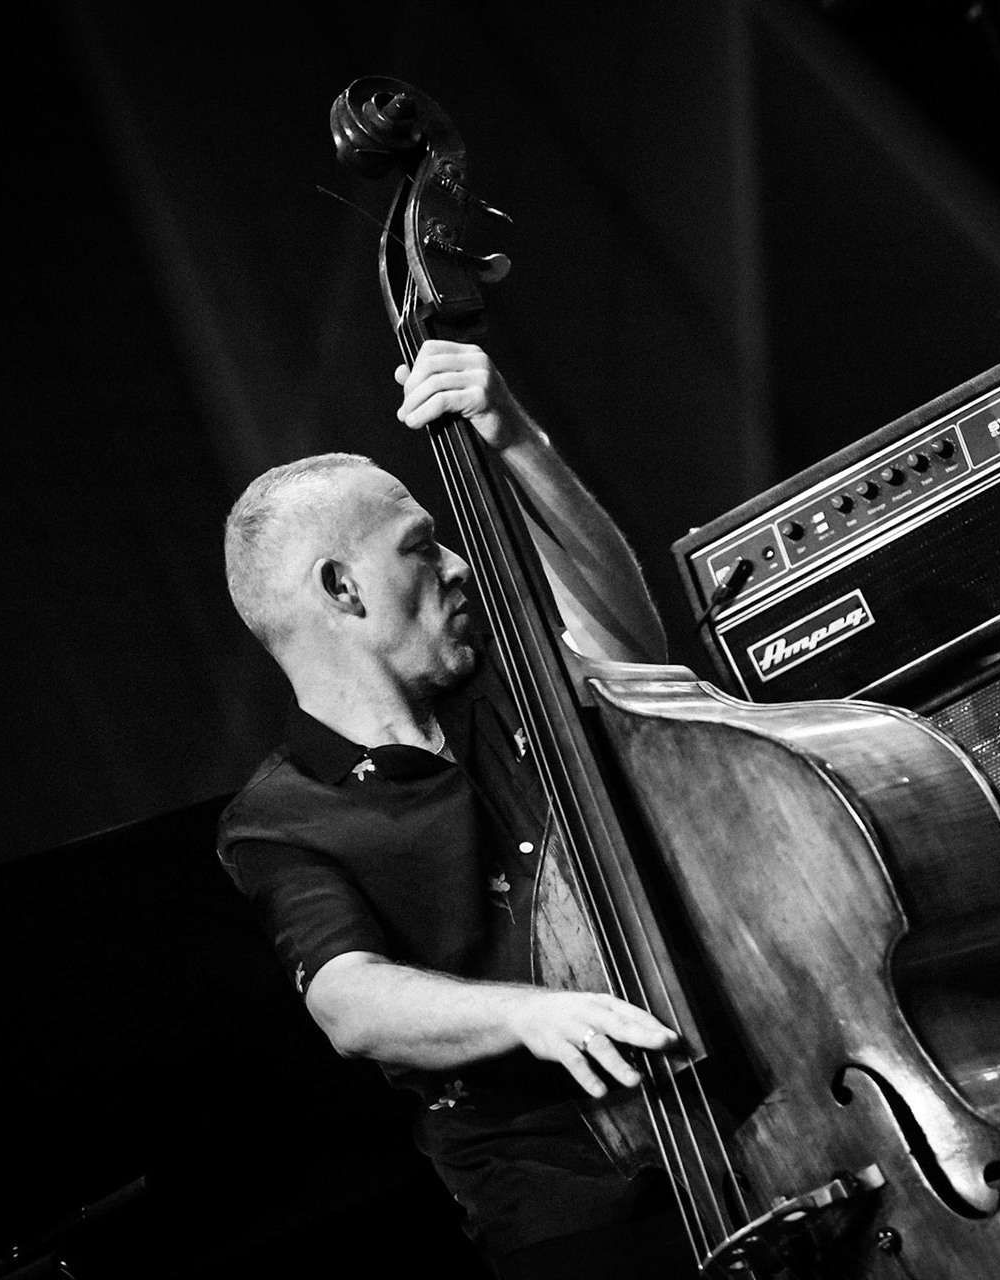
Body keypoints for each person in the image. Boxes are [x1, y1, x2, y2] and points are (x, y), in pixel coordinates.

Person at [215, 339, 697, 1278]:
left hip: (734, 1097)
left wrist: (516, 440)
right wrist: (537, 1015)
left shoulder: (512, 681)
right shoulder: (280, 817)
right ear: (341, 588)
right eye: (420, 547)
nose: (461, 562)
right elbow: (350, 1001)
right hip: (571, 1206)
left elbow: (637, 651)